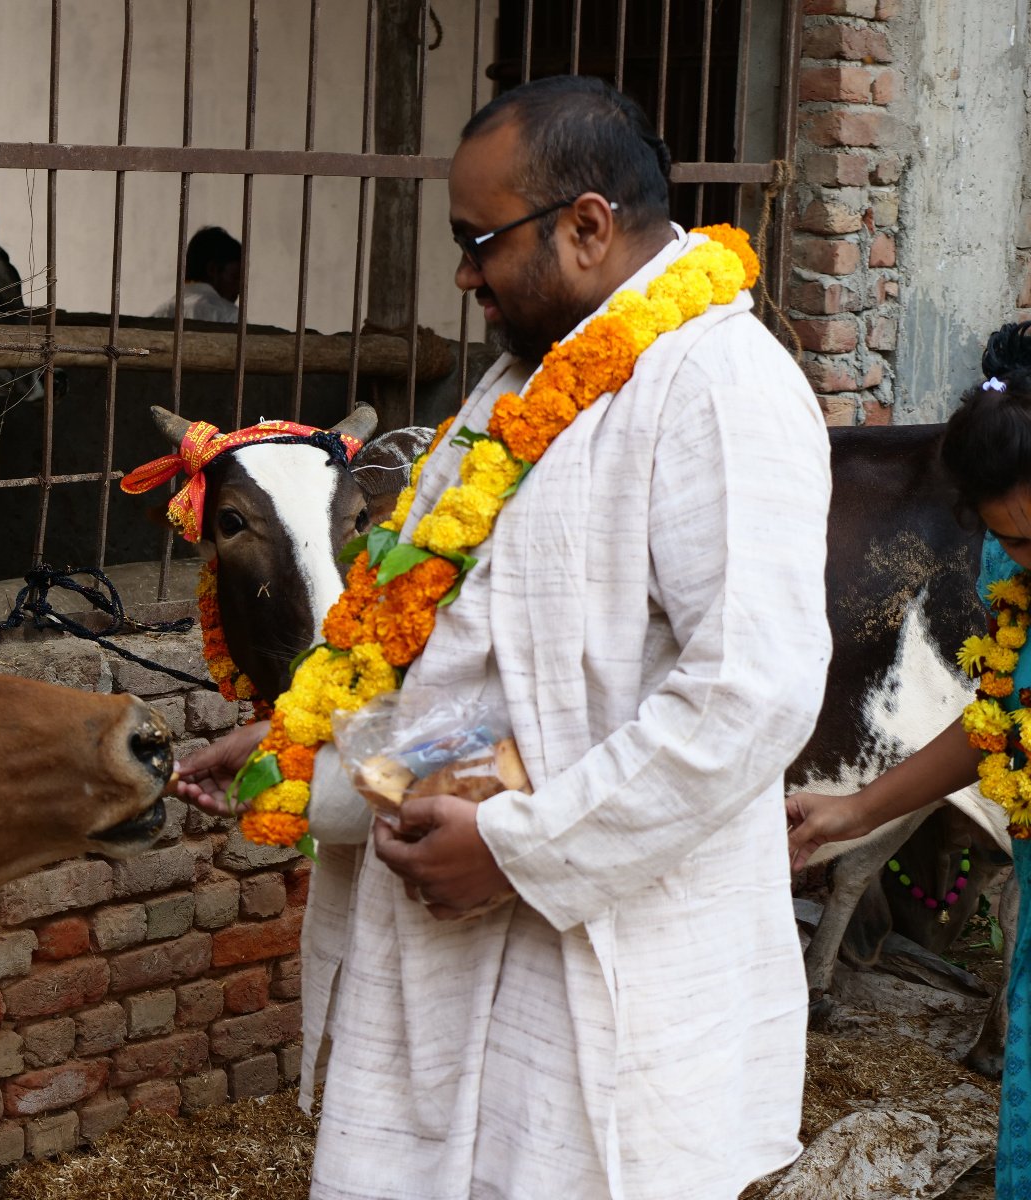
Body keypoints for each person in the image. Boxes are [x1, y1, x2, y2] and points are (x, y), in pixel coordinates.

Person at [174, 75, 832, 1199]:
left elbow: (749, 693)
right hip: (446, 953)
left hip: (604, 983)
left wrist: (520, 852)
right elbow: (474, 667)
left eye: (477, 244)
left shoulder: (719, 385)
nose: (464, 277)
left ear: (587, 225)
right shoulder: (513, 386)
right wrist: (311, 748)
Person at [787, 323, 1031, 1197]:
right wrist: (853, 811)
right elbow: (998, 725)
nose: (1027, 563)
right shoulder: (1015, 589)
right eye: (1014, 547)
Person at [152, 225, 242, 323]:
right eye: (235, 277)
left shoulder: (159, 314)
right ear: (212, 270)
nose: (239, 289)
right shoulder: (229, 315)